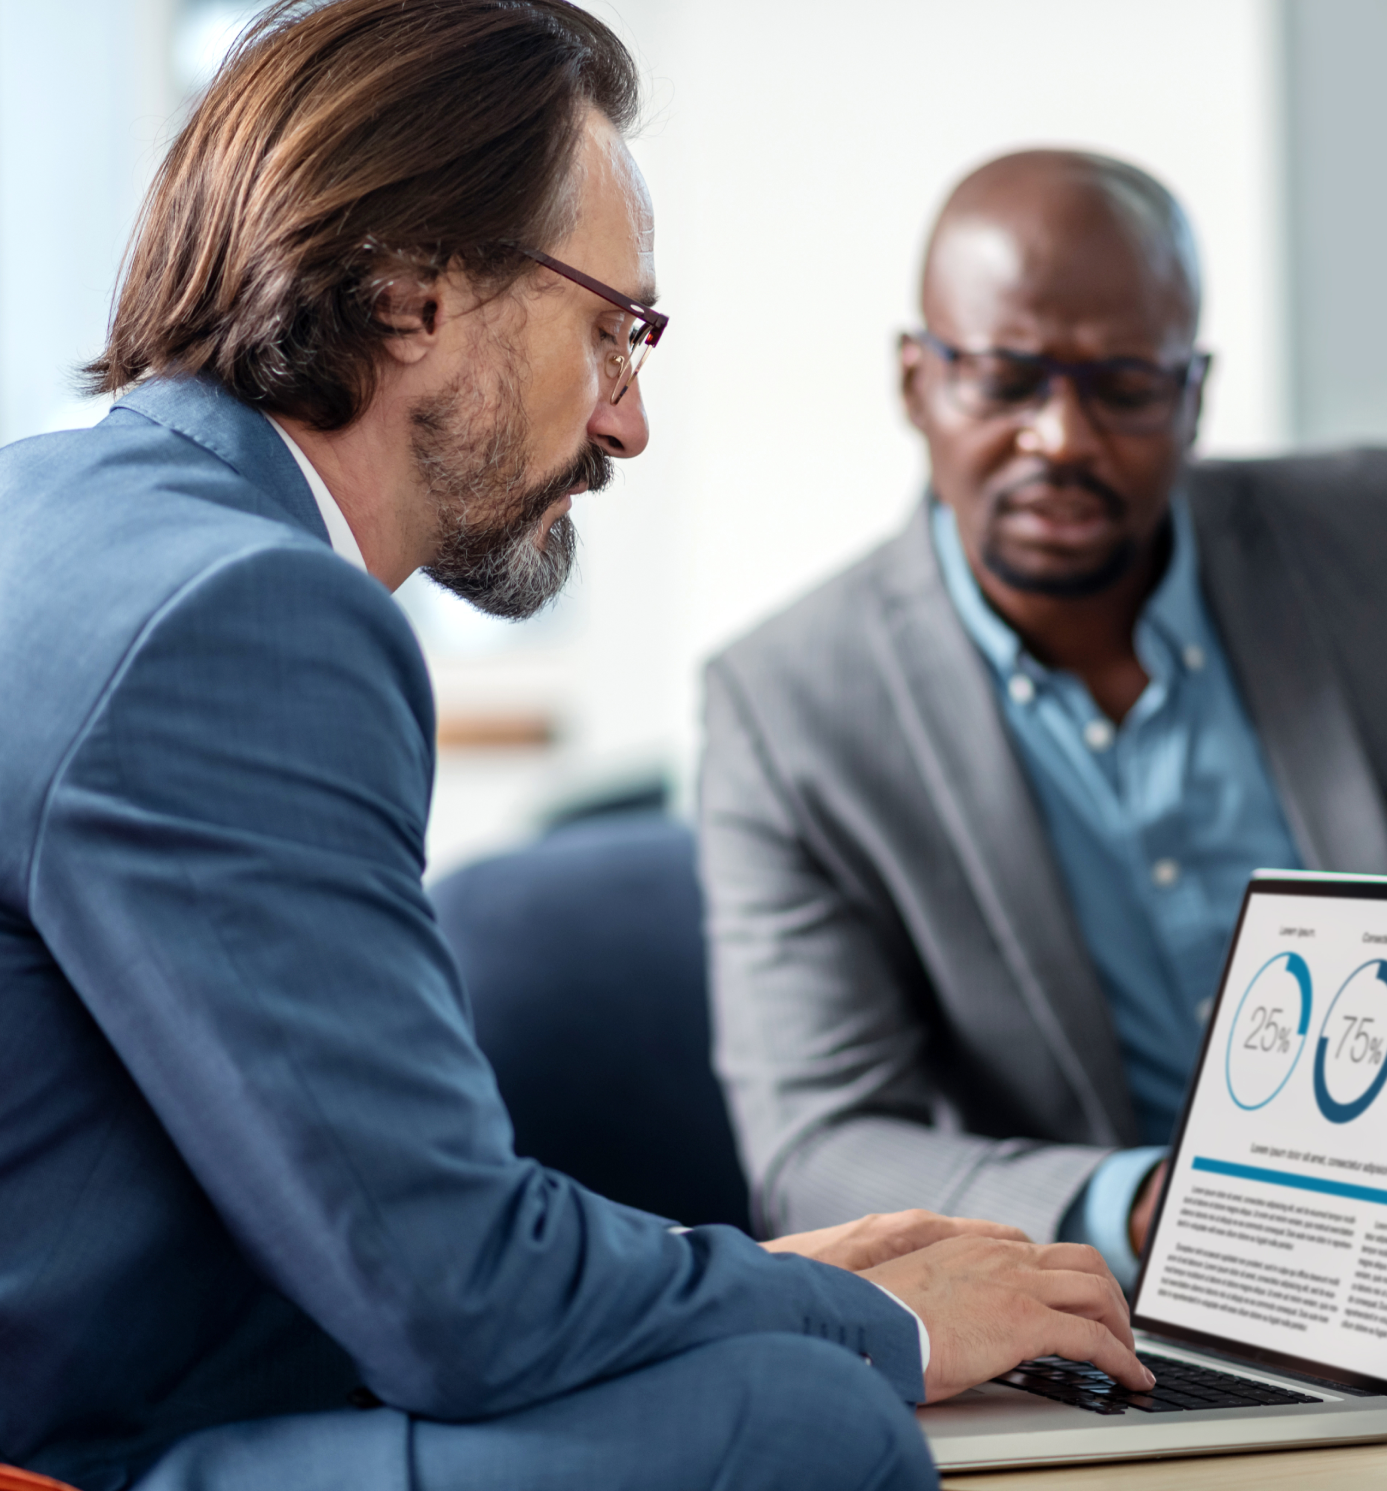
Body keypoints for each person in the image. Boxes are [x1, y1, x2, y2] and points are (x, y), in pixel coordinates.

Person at [0, 10, 1156, 1489]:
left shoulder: (63, 509)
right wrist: (866, 1314)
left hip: (111, 1365)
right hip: (77, 1451)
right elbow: (448, 1294)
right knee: (804, 1421)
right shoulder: (246, 612)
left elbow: (364, 1224)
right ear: (412, 295)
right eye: (614, 326)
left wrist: (735, 1283)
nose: (628, 419)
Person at [699, 148, 1387, 1346]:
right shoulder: (788, 708)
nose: (1059, 438)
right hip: (1158, 1327)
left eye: (1125, 385)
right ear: (914, 379)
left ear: (1194, 392)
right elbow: (818, 1146)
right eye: (1004, 379)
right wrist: (1151, 1208)